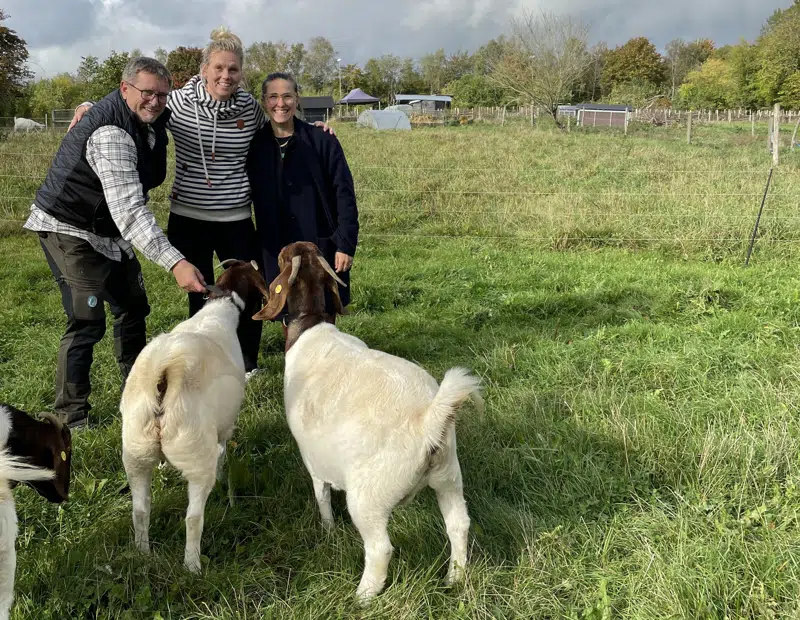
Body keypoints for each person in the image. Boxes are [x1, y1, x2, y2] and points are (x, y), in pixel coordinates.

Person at [71, 28, 335, 378]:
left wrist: (315, 129)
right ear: (204, 69)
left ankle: (246, 363)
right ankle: (205, 361)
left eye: (234, 70)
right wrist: (91, 106)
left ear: (241, 73)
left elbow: (281, 124)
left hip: (236, 216)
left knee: (250, 290)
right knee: (202, 294)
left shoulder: (250, 109)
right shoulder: (177, 103)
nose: (226, 76)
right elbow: (137, 102)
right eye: (219, 68)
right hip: (189, 216)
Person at [24, 57, 207, 430]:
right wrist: (175, 262)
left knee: (133, 306)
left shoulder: (148, 119)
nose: (154, 101)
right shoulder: (111, 133)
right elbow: (130, 211)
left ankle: (138, 395)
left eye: (161, 95)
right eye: (146, 93)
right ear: (125, 90)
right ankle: (71, 418)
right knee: (86, 320)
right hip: (70, 227)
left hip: (107, 230)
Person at [247, 72, 358, 319]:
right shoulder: (255, 145)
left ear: (297, 99)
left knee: (323, 314)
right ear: (265, 101)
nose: (281, 103)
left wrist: (345, 243)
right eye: (273, 97)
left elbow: (344, 193)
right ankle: (294, 358)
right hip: (276, 248)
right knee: (287, 313)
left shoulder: (322, 140)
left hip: (320, 245)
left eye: (287, 96)